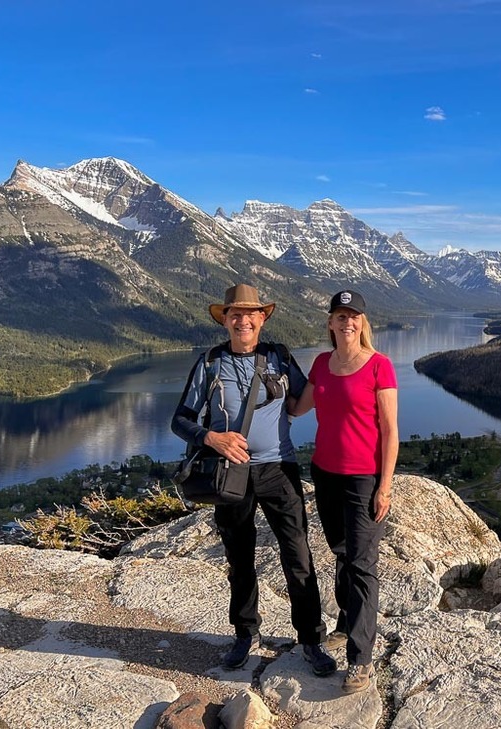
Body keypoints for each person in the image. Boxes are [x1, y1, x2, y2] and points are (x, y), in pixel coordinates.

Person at [171, 283, 336, 677]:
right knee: (239, 558)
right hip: (230, 473)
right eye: (235, 314)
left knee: (298, 555)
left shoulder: (278, 357)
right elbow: (180, 419)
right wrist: (212, 437)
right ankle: (245, 635)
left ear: (262, 318)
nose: (243, 320)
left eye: (251, 314)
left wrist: (336, 373)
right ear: (225, 320)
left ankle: (310, 639)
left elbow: (300, 400)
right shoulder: (210, 363)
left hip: (279, 468)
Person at [291, 289, 399, 694]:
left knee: (362, 564)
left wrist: (384, 486)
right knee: (339, 551)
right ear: (331, 323)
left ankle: (361, 659)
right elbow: (298, 408)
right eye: (340, 315)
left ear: (362, 323)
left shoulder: (379, 367)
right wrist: (262, 385)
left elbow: (390, 433)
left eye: (354, 316)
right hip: (325, 473)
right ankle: (344, 621)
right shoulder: (321, 363)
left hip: (362, 479)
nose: (347, 322)